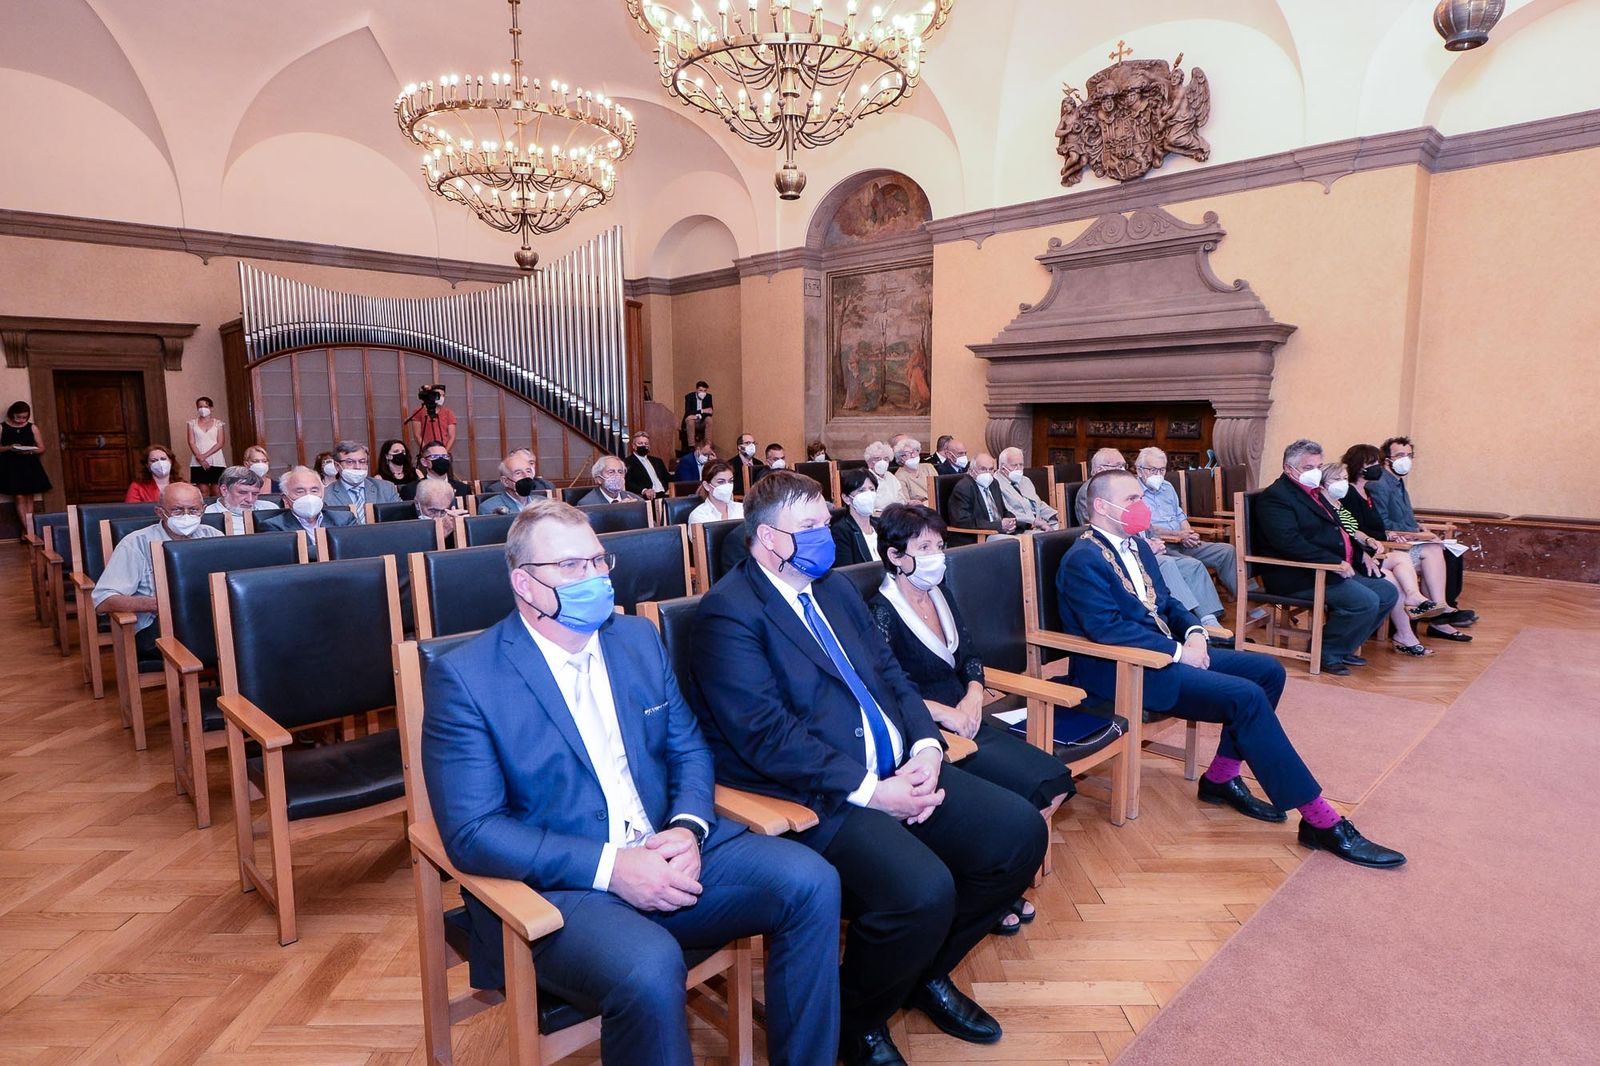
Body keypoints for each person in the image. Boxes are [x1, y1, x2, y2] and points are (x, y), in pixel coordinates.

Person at [421, 500, 841, 1066]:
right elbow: (472, 832)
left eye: (598, 561)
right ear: (524, 583)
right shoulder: (468, 678)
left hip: (668, 845)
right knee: (649, 966)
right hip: (562, 887)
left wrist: (688, 828)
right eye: (571, 567)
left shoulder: (636, 639)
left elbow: (687, 747)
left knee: (812, 880)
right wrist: (612, 867)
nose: (594, 577)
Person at [689, 471, 1048, 1065]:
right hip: (816, 795)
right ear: (768, 537)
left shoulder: (831, 589)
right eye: (808, 527)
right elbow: (765, 736)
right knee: (921, 892)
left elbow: (890, 675)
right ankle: (856, 1023)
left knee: (1018, 834)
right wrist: (873, 791)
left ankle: (921, 975)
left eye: (824, 522)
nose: (825, 535)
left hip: (901, 768)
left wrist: (927, 747)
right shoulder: (728, 614)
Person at [1058, 468, 1405, 868]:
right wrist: (1176, 651)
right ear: (1102, 506)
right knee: (1245, 696)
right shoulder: (1082, 559)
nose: (1142, 507)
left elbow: (1167, 602)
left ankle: (1220, 777)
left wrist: (1193, 632)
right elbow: (1106, 630)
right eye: (1133, 499)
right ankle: (1321, 821)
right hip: (1123, 672)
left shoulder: (1134, 544)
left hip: (1164, 655)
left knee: (1268, 671)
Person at [867, 504, 1074, 934]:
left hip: (968, 717)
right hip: (926, 732)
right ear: (895, 556)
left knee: (1052, 783)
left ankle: (993, 882)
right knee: (1016, 804)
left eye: (939, 545)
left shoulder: (940, 593)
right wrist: (947, 714)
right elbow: (887, 689)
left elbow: (971, 657)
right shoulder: (880, 611)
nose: (936, 556)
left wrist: (975, 697)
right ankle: (988, 892)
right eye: (924, 547)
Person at [1254, 439, 1400, 675]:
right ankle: (1326, 651)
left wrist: (1361, 553)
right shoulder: (1276, 497)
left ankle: (1341, 647)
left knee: (1387, 593)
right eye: (1308, 467)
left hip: (1331, 567)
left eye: (1319, 467)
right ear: (1289, 469)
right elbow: (1289, 542)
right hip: (1298, 574)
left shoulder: (1315, 492)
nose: (1316, 473)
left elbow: (1341, 526)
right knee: (1365, 601)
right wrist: (1333, 562)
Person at [1077, 447, 1227, 627]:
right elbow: (1099, 532)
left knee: (1193, 565)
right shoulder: (1091, 492)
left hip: (1144, 546)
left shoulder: (1121, 487)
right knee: (1167, 564)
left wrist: (1154, 539)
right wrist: (1145, 546)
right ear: (1099, 469)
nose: (1123, 470)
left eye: (1123, 465)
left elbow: (1143, 524)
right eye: (1117, 466)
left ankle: (1208, 620)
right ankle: (1185, 623)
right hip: (1121, 554)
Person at [1331, 451, 1450, 656]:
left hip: (1373, 549)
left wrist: (1378, 537)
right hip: (1354, 559)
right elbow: (1345, 535)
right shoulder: (1342, 499)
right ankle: (1405, 635)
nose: (1341, 483)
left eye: (1342, 478)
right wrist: (1367, 547)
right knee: (1392, 578)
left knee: (1405, 558)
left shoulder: (1355, 497)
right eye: (1337, 479)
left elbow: (1357, 529)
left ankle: (1415, 599)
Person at [92, 483, 223, 659]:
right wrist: (156, 604)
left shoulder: (213, 536)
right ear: (160, 512)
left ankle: (235, 685)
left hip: (209, 618)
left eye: (193, 510)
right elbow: (103, 600)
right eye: (177, 510)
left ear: (204, 510)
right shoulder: (135, 543)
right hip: (157, 626)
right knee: (227, 644)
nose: (186, 516)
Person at [1368, 436, 1476, 640]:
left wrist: (1419, 527)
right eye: (1400, 455)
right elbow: (1382, 523)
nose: (1406, 460)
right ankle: (1441, 614)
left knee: (1451, 553)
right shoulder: (1380, 484)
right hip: (1394, 547)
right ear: (1386, 460)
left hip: (1407, 541)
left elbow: (1403, 517)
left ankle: (1440, 612)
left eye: (1409, 456)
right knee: (1435, 551)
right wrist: (1417, 533)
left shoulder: (1398, 483)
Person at [1134, 447, 1238, 597]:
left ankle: (1244, 600)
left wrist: (1189, 534)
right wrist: (1178, 535)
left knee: (1226, 551)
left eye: (1162, 470)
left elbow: (1179, 515)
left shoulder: (1167, 487)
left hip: (1182, 540)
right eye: (1152, 470)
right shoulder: (1133, 492)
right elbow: (1146, 528)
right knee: (1193, 565)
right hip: (1161, 545)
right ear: (1139, 470)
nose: (1158, 475)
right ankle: (1206, 613)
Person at [258, 466, 356, 558]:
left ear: (323, 494)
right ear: (285, 499)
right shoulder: (273, 526)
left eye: (314, 491)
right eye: (300, 491)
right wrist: (335, 547)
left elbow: (355, 548)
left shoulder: (344, 519)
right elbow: (288, 556)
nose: (309, 496)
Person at [0, 401, 51, 538]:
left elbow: (41, 448)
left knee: (29, 496)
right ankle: (28, 530)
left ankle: (28, 530)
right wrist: (10, 447)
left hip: (29, 463)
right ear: (12, 415)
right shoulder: (2, 427)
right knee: (19, 496)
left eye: (24, 417)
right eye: (18, 417)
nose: (21, 420)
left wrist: (29, 451)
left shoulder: (32, 427)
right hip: (11, 465)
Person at [324, 440, 400, 522]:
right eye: (350, 462)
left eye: (362, 461)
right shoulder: (326, 495)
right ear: (337, 466)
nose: (357, 467)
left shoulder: (386, 489)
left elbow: (400, 518)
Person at [946, 453, 1017, 539]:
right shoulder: (964, 487)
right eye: (983, 469)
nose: (988, 473)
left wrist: (1011, 521)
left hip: (998, 533)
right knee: (1019, 544)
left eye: (991, 469)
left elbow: (1002, 511)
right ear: (971, 471)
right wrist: (998, 525)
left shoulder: (993, 483)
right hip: (977, 537)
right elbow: (962, 521)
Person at [995, 447, 1059, 531]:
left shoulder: (1025, 480)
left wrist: (1055, 514)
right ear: (1003, 468)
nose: (1018, 469)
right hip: (1022, 527)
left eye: (1021, 465)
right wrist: (1035, 522)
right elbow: (1008, 512)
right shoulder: (995, 484)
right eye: (1014, 465)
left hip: (1041, 523)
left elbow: (1038, 504)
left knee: (1065, 529)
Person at [204, 466, 276, 534]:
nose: (250, 500)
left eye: (254, 494)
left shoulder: (270, 508)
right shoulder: (206, 516)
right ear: (224, 490)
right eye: (243, 493)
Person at [479, 449, 553, 515]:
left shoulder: (544, 503)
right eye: (518, 473)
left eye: (528, 471)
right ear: (505, 481)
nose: (526, 476)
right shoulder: (490, 508)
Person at [831, 469, 881, 566]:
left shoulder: (881, 525)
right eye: (861, 491)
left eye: (872, 489)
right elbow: (847, 572)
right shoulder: (840, 531)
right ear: (846, 498)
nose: (868, 495)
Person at [401, 441, 471, 502]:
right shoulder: (411, 490)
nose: (441, 459)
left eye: (445, 456)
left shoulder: (463, 489)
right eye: (435, 456)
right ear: (424, 462)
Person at [185, 397, 227, 491]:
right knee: (203, 491)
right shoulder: (192, 423)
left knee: (217, 490)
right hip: (197, 460)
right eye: (200, 406)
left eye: (205, 406)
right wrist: (200, 458)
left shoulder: (218, 423)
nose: (202, 409)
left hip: (216, 460)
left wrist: (204, 456)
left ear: (211, 408)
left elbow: (220, 443)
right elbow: (191, 442)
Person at [407, 382, 458, 453]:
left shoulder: (449, 413)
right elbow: (417, 435)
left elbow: (452, 436)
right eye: (438, 395)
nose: (441, 397)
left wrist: (444, 452)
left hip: (444, 450)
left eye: (443, 395)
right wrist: (427, 451)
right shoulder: (419, 411)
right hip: (427, 450)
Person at [414, 478, 467, 545]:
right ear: (417, 504)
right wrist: (440, 536)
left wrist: (460, 530)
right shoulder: (400, 522)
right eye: (433, 511)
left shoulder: (451, 521)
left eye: (443, 511)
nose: (438, 517)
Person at [625, 433, 671, 500]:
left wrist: (671, 488)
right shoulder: (627, 462)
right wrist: (644, 490)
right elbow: (628, 483)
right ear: (633, 446)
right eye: (640, 443)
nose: (643, 445)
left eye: (646, 444)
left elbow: (667, 477)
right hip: (646, 497)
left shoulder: (657, 461)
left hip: (665, 494)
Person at [890, 438, 930, 505]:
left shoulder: (928, 467)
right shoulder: (899, 476)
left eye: (915, 451)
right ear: (901, 458)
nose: (913, 455)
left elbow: (939, 490)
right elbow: (906, 502)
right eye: (908, 453)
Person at [863, 441, 902, 508]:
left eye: (886, 459)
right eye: (877, 459)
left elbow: (901, 498)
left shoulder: (891, 476)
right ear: (869, 463)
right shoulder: (865, 479)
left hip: (896, 513)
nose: (882, 462)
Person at [683, 380, 714, 446]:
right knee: (690, 420)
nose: (703, 393)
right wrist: (702, 411)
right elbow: (688, 412)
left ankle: (708, 445)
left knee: (709, 419)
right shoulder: (689, 397)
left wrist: (697, 415)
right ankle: (691, 446)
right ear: (696, 390)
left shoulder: (708, 397)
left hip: (702, 421)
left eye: (705, 391)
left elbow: (710, 412)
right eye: (700, 390)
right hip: (692, 421)